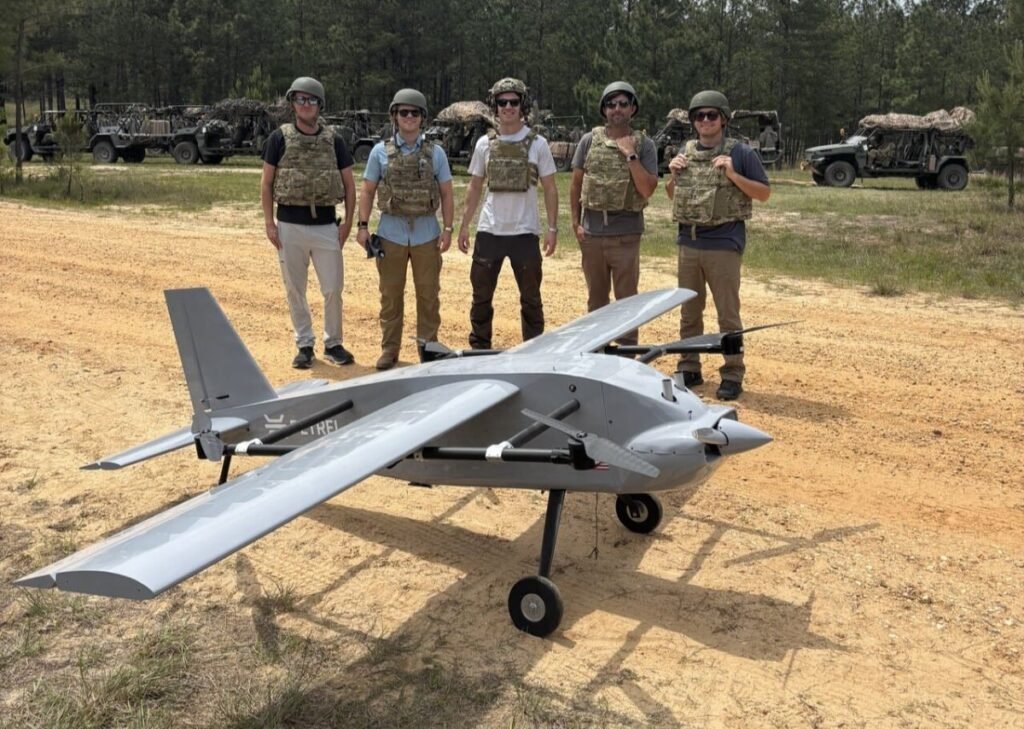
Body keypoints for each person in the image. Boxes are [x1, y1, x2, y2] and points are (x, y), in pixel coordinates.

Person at [666, 90, 770, 400]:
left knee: (727, 314)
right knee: (689, 313)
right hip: (689, 241)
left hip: (723, 242)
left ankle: (733, 372)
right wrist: (673, 176)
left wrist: (733, 174)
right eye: (699, 116)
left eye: (712, 115)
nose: (705, 121)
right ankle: (689, 366)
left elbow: (763, 193)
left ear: (723, 119)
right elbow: (675, 196)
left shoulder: (740, 153)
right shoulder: (685, 151)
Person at [355, 89, 455, 370]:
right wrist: (362, 227)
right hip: (391, 233)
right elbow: (367, 191)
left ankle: (429, 348)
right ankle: (389, 350)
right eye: (403, 112)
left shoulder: (435, 153)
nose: (409, 117)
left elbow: (447, 193)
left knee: (428, 295)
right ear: (394, 116)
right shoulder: (379, 152)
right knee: (390, 295)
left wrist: (447, 228)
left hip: (426, 233)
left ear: (422, 118)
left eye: (414, 113)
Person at [261, 76, 357, 369]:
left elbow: (350, 186)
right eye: (300, 99)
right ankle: (304, 344)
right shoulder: (278, 138)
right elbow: (266, 183)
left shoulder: (334, 140)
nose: (305, 105)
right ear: (292, 103)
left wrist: (348, 224)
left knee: (332, 288)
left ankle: (333, 342)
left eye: (311, 100)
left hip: (326, 225)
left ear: (319, 105)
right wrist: (269, 223)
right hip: (290, 224)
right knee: (295, 289)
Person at [457, 77, 559, 349]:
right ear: (495, 105)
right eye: (502, 102)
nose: (508, 107)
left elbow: (550, 188)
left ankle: (534, 349)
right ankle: (479, 347)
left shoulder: (538, 144)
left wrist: (552, 228)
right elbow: (475, 185)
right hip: (490, 231)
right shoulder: (483, 144)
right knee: (481, 295)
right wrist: (464, 225)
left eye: (514, 102)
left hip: (525, 233)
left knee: (531, 297)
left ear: (522, 104)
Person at [569, 81, 658, 347]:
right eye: (611, 104)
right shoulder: (589, 141)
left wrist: (630, 155)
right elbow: (576, 186)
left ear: (633, 108)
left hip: (626, 235)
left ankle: (627, 354)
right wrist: (576, 224)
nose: (616, 109)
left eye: (622, 103)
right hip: (593, 234)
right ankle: (596, 351)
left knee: (627, 302)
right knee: (596, 301)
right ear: (603, 109)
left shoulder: (645, 145)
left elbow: (647, 189)